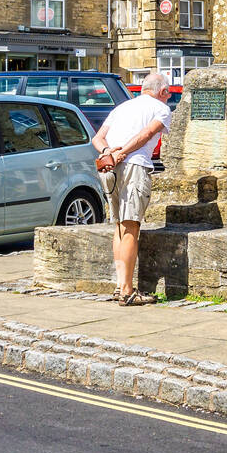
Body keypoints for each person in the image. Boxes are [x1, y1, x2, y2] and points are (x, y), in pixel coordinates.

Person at [90, 70, 172, 306]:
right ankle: (127, 291)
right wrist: (122, 154)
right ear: (163, 91)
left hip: (108, 168)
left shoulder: (122, 107)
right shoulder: (161, 108)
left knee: (118, 227)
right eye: (166, 94)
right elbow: (147, 134)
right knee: (130, 227)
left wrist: (108, 153)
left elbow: (98, 138)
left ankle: (119, 285)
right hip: (133, 166)